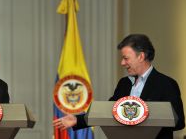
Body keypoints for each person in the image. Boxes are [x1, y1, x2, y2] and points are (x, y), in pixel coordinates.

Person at [53, 34, 185, 139]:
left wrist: (146, 123)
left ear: (141, 56)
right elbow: (107, 112)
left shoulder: (166, 84)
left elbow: (179, 122)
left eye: (126, 58)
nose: (122, 63)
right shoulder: (124, 84)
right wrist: (78, 120)